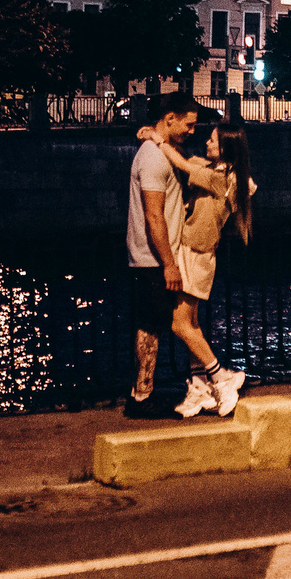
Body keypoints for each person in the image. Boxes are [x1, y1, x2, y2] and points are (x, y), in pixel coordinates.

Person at [157, 124, 257, 418]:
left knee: (179, 325)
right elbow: (188, 159)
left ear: (226, 147)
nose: (206, 142)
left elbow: (181, 164)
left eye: (212, 139)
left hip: (196, 255)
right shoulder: (219, 172)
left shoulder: (222, 179)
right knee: (193, 325)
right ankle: (199, 386)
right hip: (195, 253)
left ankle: (221, 378)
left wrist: (155, 139)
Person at [121, 94, 199, 418]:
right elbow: (154, 216)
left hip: (154, 257)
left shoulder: (161, 152)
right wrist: (169, 263)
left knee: (155, 323)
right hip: (152, 259)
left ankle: (146, 392)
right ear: (169, 118)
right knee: (150, 325)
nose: (192, 130)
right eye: (188, 123)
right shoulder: (152, 159)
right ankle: (142, 398)